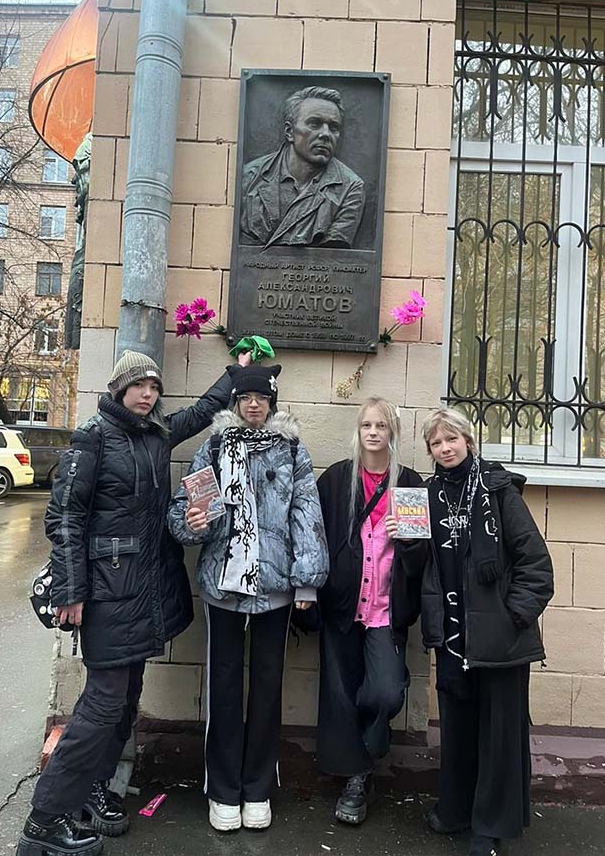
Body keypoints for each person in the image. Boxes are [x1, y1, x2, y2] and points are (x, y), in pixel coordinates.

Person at [16, 348, 251, 856]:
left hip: (143, 592)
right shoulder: (92, 436)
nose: (147, 394)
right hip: (105, 593)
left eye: (154, 387)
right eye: (139, 386)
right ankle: (44, 823)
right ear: (119, 388)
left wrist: (236, 372)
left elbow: (201, 412)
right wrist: (71, 590)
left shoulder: (155, 434)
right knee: (102, 704)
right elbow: (64, 518)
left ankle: (93, 789)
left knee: (125, 699)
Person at [167, 364, 329, 832]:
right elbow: (186, 508)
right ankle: (222, 791)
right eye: (245, 397)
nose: (253, 405)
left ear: (271, 402)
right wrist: (193, 523)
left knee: (267, 688)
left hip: (275, 590)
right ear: (235, 402)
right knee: (223, 689)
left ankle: (258, 789)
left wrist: (306, 581)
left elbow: (306, 513)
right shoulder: (215, 446)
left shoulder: (291, 448)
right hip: (223, 587)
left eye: (261, 398)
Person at [419, 408, 554, 856]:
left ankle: (489, 827)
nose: (445, 448)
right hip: (453, 637)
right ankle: (456, 810)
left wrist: (512, 616)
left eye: (452, 439)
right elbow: (424, 567)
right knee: (457, 731)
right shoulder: (428, 496)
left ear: (468, 441)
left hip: (501, 641)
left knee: (498, 738)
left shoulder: (498, 490)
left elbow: (536, 564)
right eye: (437, 443)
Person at [315, 397, 428, 825]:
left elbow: (422, 562)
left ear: (392, 432)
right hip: (342, 606)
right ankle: (357, 779)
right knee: (341, 693)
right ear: (358, 430)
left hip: (386, 611)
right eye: (367, 425)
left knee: (384, 691)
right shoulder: (336, 479)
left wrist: (409, 541)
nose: (374, 432)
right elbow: (314, 537)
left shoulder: (410, 483)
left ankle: (370, 743)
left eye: (382, 425)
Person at [240, 85, 365, 249]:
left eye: (334, 127)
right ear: (289, 132)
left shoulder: (351, 188)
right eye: (314, 124)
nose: (325, 134)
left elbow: (332, 255)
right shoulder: (249, 177)